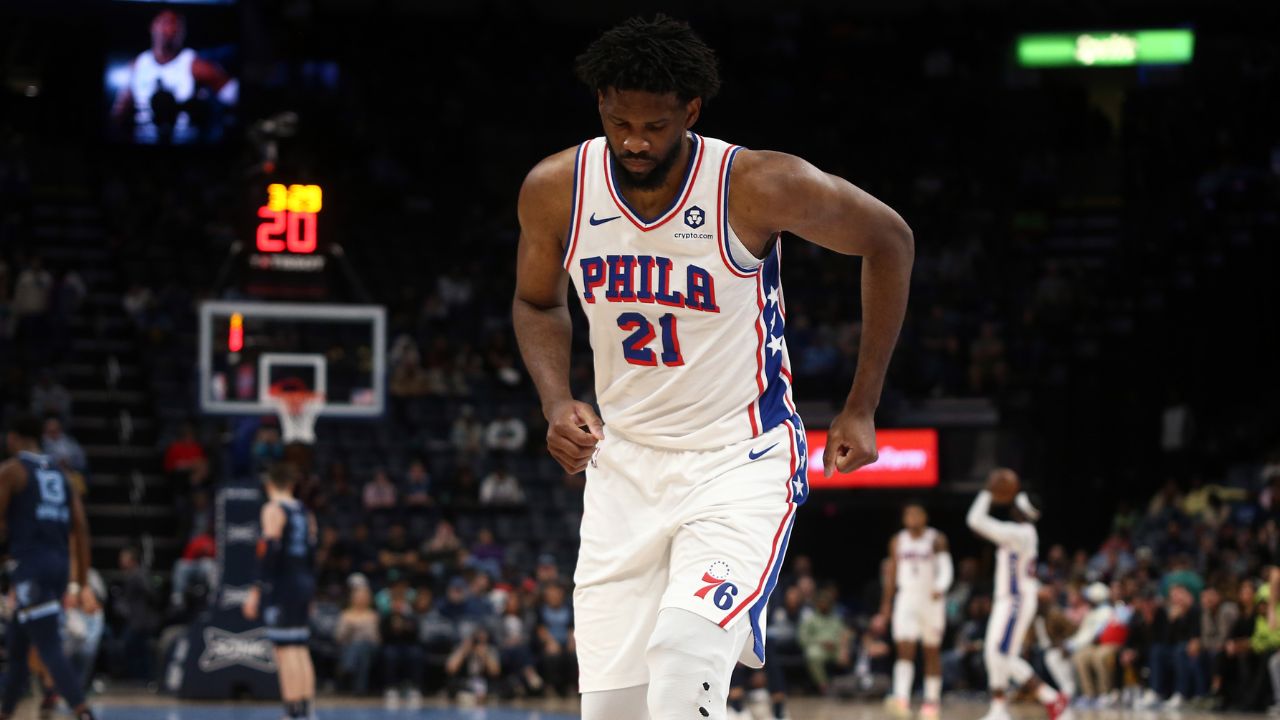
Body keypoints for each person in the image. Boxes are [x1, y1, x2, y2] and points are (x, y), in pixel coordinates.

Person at [511, 15, 912, 719]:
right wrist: (554, 399)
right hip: (623, 469)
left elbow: (890, 240)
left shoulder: (756, 183)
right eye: (620, 120)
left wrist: (861, 402)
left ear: (691, 111)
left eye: (656, 125)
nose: (635, 140)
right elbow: (536, 301)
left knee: (683, 658)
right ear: (600, 100)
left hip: (740, 460)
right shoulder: (557, 189)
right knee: (614, 713)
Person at [0, 414, 97, 720]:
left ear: (12, 439)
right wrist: (81, 583)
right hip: (58, 565)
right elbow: (80, 529)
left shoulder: (12, 471)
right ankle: (5, 711)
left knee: (48, 646)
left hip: (31, 564)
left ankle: (82, 710)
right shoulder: (62, 473)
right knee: (17, 648)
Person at [966, 469, 1070, 720]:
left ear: (1021, 510)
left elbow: (975, 521)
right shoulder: (1021, 532)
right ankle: (999, 708)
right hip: (1010, 599)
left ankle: (1052, 699)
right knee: (993, 653)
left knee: (1002, 655)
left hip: (1015, 600)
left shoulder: (1019, 534)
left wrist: (988, 492)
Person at [242, 463, 317, 720]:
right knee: (300, 647)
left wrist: (256, 588)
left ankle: (292, 711)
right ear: (293, 484)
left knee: (285, 650)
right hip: (304, 580)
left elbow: (269, 550)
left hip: (284, 582)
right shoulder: (305, 512)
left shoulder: (273, 509)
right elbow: (311, 554)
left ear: (269, 485)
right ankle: (306, 710)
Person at [110, 10, 238, 143]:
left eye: (177, 25)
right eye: (166, 23)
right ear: (153, 27)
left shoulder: (196, 65)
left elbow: (235, 95)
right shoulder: (137, 66)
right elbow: (118, 115)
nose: (171, 29)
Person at [881, 501, 952, 718]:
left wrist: (940, 587)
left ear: (924, 517)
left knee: (931, 650)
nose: (912, 518)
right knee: (904, 648)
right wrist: (886, 603)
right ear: (904, 519)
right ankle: (901, 699)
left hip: (930, 599)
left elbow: (946, 568)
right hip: (906, 598)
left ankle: (932, 702)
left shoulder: (936, 539)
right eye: (908, 514)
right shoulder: (898, 541)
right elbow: (892, 573)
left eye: (916, 514)